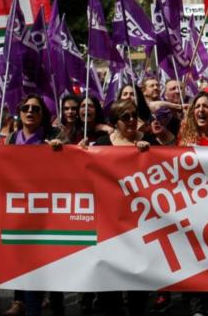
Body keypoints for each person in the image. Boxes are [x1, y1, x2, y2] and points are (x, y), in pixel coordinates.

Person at [89, 100, 153, 314]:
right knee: (109, 286)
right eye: (126, 117)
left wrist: (149, 153)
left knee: (138, 286)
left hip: (140, 224)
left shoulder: (148, 141)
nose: (132, 120)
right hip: (109, 225)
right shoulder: (102, 144)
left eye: (134, 115)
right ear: (115, 121)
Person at [5, 95, 64, 316]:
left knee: (55, 275)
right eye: (25, 107)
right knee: (30, 272)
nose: (30, 111)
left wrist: (62, 152)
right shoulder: (11, 138)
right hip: (22, 215)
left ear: (43, 114)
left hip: (50, 215)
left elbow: (71, 168)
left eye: (36, 109)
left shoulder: (55, 136)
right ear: (19, 112)